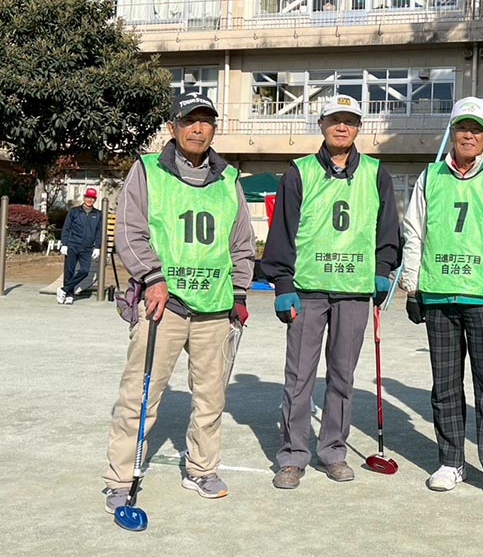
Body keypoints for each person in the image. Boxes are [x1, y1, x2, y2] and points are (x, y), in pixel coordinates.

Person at [102, 92, 256, 513]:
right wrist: (152, 277)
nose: (198, 128)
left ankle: (202, 469)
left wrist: (239, 295)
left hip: (215, 309)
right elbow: (130, 232)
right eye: (190, 120)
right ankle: (120, 478)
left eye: (206, 121)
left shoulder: (229, 179)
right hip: (162, 305)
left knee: (211, 398)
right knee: (139, 395)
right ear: (173, 127)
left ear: (214, 129)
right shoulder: (147, 170)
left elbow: (242, 244)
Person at [262, 94, 400, 489]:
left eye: (351, 121)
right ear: (321, 125)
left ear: (359, 128)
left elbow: (387, 228)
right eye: (335, 120)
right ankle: (293, 455)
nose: (343, 127)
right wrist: (282, 283)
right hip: (307, 291)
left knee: (343, 376)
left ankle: (334, 450)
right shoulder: (299, 172)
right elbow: (283, 230)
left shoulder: (377, 173)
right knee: (299, 376)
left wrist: (383, 268)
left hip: (355, 291)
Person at [399, 96, 483, 506]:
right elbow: (414, 232)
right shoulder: (430, 176)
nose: (468, 135)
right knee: (445, 386)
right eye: (462, 128)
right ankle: (451, 460)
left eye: (476, 129)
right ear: (452, 132)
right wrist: (413, 285)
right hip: (439, 294)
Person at [57, 187, 102, 305]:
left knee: (84, 271)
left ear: (95, 200)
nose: (89, 200)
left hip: (87, 248)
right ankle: (69, 295)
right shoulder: (74, 211)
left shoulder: (98, 214)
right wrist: (64, 244)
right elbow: (66, 228)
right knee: (69, 271)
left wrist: (97, 247)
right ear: (84, 198)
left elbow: (99, 231)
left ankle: (64, 289)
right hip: (72, 245)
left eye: (92, 198)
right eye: (88, 197)